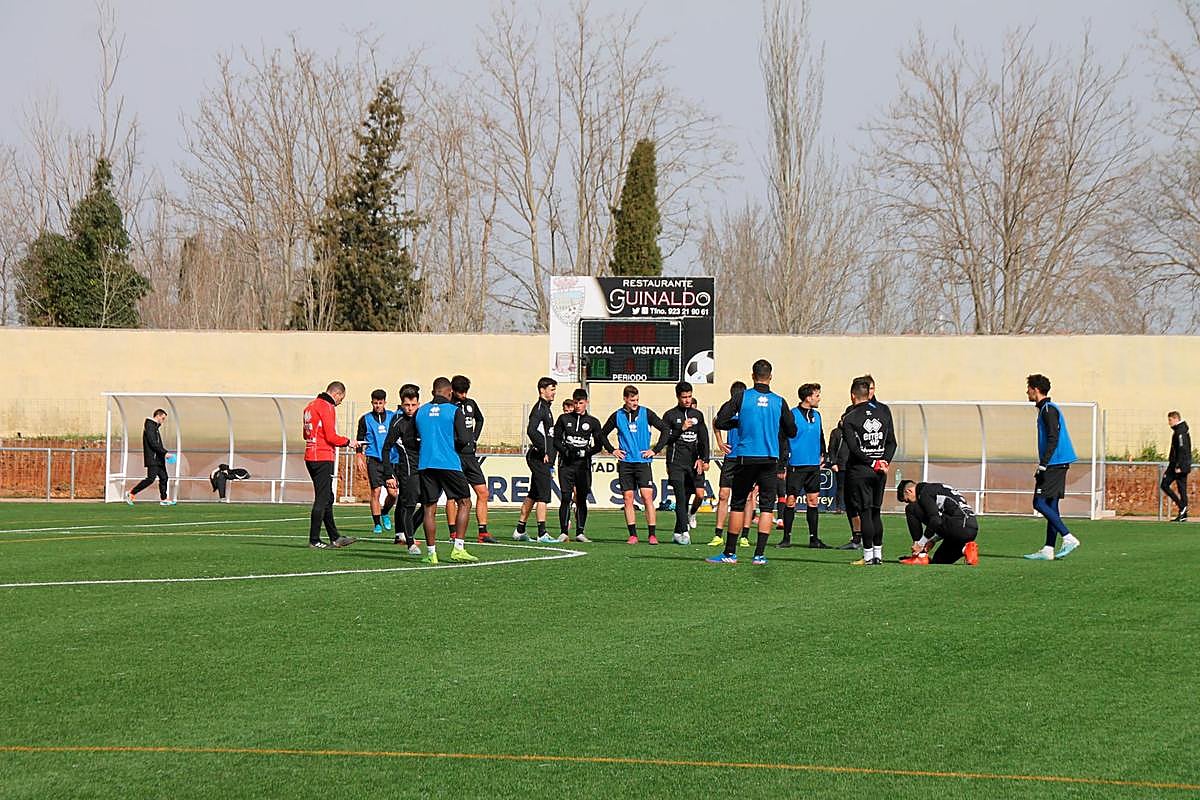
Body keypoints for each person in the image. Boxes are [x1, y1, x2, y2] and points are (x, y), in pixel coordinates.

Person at [707, 359, 797, 566]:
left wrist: (739, 421)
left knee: (738, 504)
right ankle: (759, 555)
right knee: (766, 507)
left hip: (746, 458)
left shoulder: (742, 397)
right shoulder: (779, 401)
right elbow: (792, 431)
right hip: (769, 459)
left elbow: (720, 421)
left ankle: (730, 553)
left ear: (752, 375)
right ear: (770, 376)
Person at [414, 376, 478, 564]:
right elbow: (464, 438)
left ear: (433, 391)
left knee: (429, 508)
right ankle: (458, 548)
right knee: (465, 502)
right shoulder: (454, 410)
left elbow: (414, 438)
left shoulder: (421, 411)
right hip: (448, 463)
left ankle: (431, 553)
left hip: (426, 463)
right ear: (449, 392)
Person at [601, 384, 671, 544]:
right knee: (628, 498)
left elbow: (665, 430)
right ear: (625, 399)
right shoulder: (617, 415)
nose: (635, 403)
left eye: (637, 400)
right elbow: (602, 434)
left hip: (643, 462)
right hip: (626, 463)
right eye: (632, 400)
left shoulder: (646, 413)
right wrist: (613, 450)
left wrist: (655, 450)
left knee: (647, 497)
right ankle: (633, 534)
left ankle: (652, 534)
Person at [1024, 374, 1082, 560]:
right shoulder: (1045, 409)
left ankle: (1068, 537)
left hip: (1055, 463)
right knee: (1051, 504)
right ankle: (1049, 549)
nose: (1027, 392)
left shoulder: (1048, 409)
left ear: (1035, 389)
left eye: (1029, 388)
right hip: (1057, 462)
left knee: (1038, 503)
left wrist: (1043, 464)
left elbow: (1053, 438)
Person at [840, 376, 896, 566]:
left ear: (852, 396)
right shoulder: (883, 412)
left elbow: (854, 448)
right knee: (875, 512)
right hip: (881, 470)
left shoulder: (850, 418)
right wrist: (883, 461)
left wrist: (871, 462)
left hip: (861, 470)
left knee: (864, 512)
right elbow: (892, 442)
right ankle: (878, 555)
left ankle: (867, 556)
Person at [302, 382, 360, 549]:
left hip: (310, 455)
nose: (340, 402)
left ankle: (335, 537)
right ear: (337, 394)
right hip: (322, 456)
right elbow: (331, 436)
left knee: (328, 497)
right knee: (322, 498)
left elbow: (305, 433)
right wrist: (349, 442)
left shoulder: (309, 406)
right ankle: (314, 539)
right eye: (341, 398)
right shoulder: (326, 406)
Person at [446, 375, 496, 544]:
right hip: (454, 456)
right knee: (453, 497)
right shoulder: (449, 406)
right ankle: (453, 532)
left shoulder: (471, 404)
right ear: (453, 390)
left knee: (483, 492)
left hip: (470, 456)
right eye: (461, 392)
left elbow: (480, 419)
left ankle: (483, 532)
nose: (464, 395)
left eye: (466, 391)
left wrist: (474, 437)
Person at [662, 381, 711, 545]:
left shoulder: (698, 415)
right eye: (684, 397)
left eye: (689, 396)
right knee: (680, 498)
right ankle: (684, 532)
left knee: (694, 495)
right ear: (678, 397)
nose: (687, 400)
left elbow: (704, 439)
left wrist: (704, 459)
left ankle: (677, 531)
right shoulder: (669, 416)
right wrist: (680, 429)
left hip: (693, 464)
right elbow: (666, 440)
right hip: (675, 463)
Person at [781, 383, 829, 549]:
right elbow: (783, 438)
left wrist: (824, 453)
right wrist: (782, 463)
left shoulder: (817, 415)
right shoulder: (792, 415)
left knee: (813, 501)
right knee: (791, 501)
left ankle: (814, 539)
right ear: (808, 398)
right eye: (817, 395)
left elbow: (821, 436)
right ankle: (786, 538)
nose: (819, 398)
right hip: (796, 465)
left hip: (813, 466)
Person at [553, 388, 603, 543]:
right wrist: (566, 452)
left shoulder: (593, 422)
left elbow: (598, 444)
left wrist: (586, 453)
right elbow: (555, 440)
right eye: (576, 403)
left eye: (581, 403)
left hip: (583, 466)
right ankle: (563, 532)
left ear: (586, 403)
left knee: (581, 498)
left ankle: (580, 532)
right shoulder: (563, 419)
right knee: (566, 497)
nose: (578, 406)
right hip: (566, 465)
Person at [709, 381, 753, 549]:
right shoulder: (727, 408)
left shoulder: (748, 409)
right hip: (731, 458)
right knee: (723, 495)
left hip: (746, 457)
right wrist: (720, 442)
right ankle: (718, 534)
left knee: (748, 497)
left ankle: (745, 536)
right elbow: (716, 421)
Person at [514, 377, 558, 542]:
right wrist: (543, 450)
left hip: (543, 458)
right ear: (542, 390)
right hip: (539, 458)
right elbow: (531, 430)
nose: (554, 393)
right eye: (551, 389)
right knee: (543, 496)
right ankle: (542, 533)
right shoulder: (540, 408)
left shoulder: (546, 408)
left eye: (554, 389)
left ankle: (520, 530)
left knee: (534, 494)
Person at [896, 480, 980, 565]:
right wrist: (932, 540)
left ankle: (920, 556)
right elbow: (944, 519)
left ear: (908, 491)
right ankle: (966, 548)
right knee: (939, 560)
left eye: (907, 500)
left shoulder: (924, 492)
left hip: (959, 525)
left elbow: (936, 520)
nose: (910, 502)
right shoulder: (936, 488)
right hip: (970, 529)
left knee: (911, 508)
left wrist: (921, 544)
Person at [383, 384, 424, 555]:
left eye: (413, 405)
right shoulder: (398, 422)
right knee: (409, 505)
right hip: (407, 471)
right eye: (407, 405)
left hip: (425, 469)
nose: (410, 408)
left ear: (418, 404)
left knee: (430, 503)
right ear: (402, 404)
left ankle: (409, 533)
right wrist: (389, 474)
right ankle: (409, 543)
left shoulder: (423, 419)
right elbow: (386, 448)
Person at [356, 389, 398, 535]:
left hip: (391, 460)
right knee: (376, 491)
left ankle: (385, 512)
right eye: (375, 403)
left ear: (385, 402)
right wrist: (359, 456)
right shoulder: (365, 419)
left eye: (380, 403)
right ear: (372, 402)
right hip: (373, 459)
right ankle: (377, 523)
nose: (378, 406)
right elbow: (360, 439)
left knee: (393, 493)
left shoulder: (393, 417)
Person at [125, 408, 175, 506]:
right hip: (153, 458)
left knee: (164, 477)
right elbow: (153, 443)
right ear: (158, 416)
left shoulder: (155, 427)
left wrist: (163, 454)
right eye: (163, 418)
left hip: (159, 458)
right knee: (150, 479)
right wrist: (165, 453)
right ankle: (131, 493)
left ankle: (164, 499)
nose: (163, 421)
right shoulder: (150, 426)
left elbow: (158, 444)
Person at [1163, 411, 1191, 522]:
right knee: (1181, 488)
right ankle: (1183, 512)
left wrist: (1179, 465)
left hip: (1178, 465)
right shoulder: (1179, 430)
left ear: (1175, 419)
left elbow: (1182, 449)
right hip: (1178, 464)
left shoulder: (1180, 432)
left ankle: (1182, 507)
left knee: (1165, 484)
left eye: (1170, 420)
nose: (1168, 422)